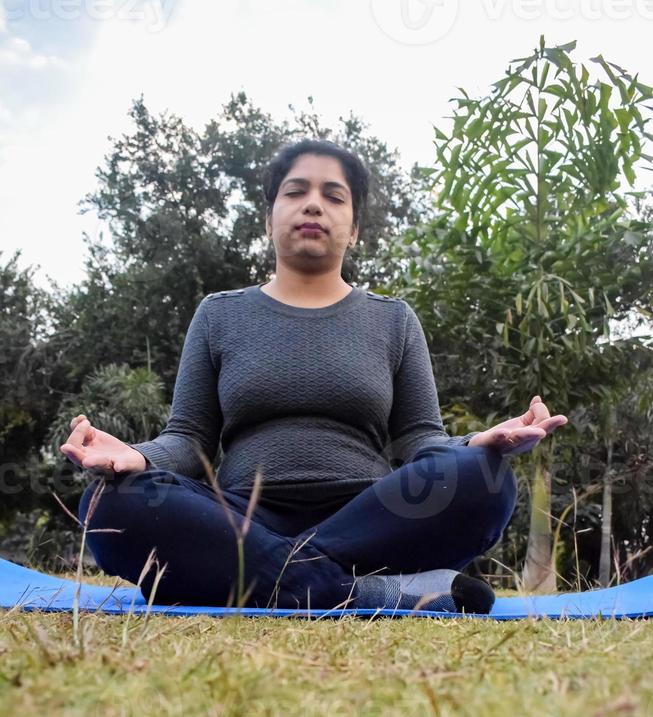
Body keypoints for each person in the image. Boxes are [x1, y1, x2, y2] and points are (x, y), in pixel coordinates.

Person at [60, 139, 567, 614]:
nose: (313, 205)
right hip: (241, 517)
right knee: (111, 500)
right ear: (269, 218)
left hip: (371, 519)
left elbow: (420, 440)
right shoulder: (219, 315)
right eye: (296, 191)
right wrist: (138, 457)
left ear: (354, 227)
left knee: (486, 478)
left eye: (334, 196)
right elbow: (189, 439)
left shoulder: (394, 320)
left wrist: (478, 442)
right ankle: (366, 590)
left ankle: (266, 577)